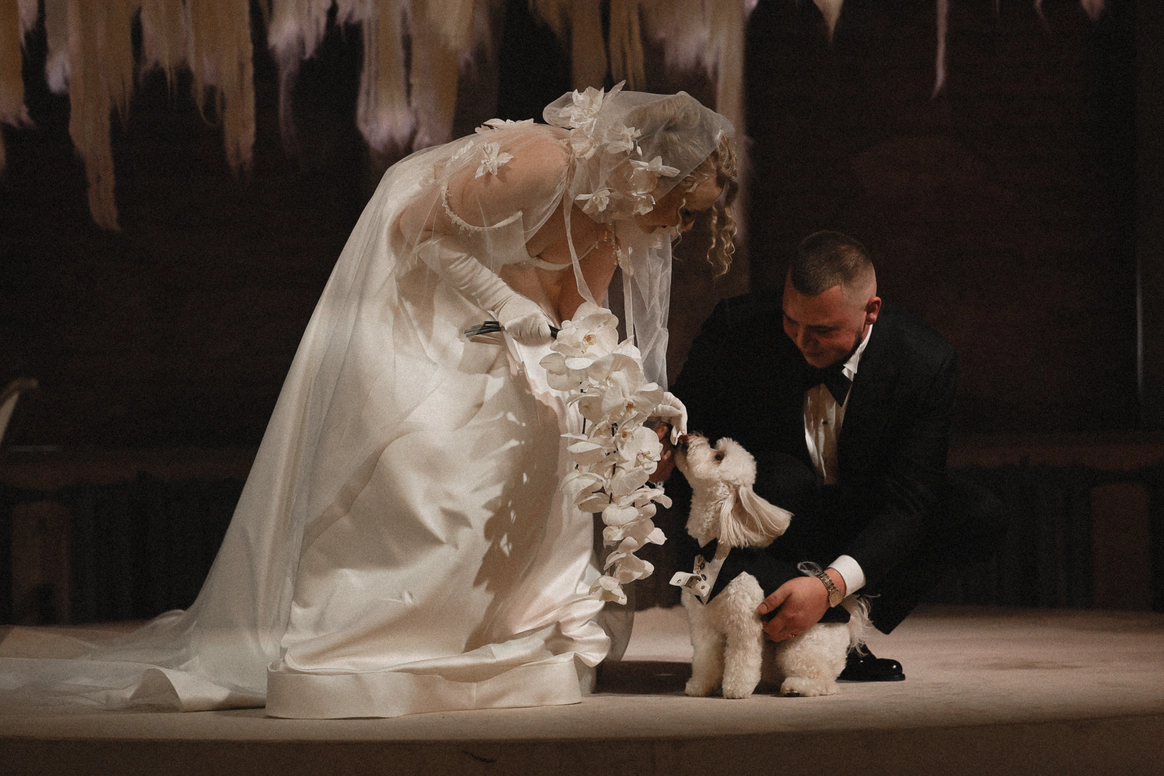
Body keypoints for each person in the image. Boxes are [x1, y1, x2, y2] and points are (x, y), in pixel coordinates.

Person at [0, 85, 737, 718]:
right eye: (679, 206)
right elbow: (415, 227)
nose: (677, 226)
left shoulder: (611, 216)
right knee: (437, 462)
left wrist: (636, 396)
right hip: (426, 312)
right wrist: (502, 302)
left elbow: (581, 313)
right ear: (650, 171)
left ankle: (496, 628)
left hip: (510, 334)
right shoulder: (545, 164)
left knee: (553, 429)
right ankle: (388, 632)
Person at [668, 230, 1004, 681]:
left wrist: (829, 588)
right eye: (791, 322)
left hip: (867, 508)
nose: (801, 341)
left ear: (871, 311)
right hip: (773, 507)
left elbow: (911, 502)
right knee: (782, 479)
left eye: (823, 330)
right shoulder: (736, 327)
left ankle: (844, 630)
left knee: (978, 513)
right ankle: (766, 626)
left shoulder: (925, 360)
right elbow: (682, 422)